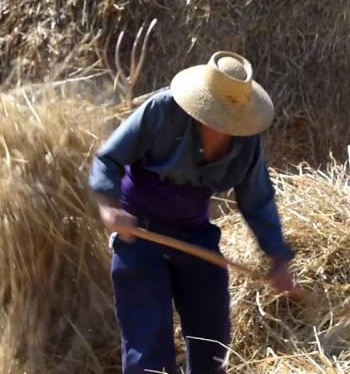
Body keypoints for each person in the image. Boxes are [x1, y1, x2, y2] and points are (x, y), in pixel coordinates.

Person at [89, 51, 296, 374]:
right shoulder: (162, 111)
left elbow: (257, 199)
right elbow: (108, 159)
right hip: (141, 233)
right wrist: (110, 207)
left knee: (212, 343)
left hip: (195, 235)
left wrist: (278, 257)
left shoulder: (245, 142)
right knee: (149, 348)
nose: (221, 125)